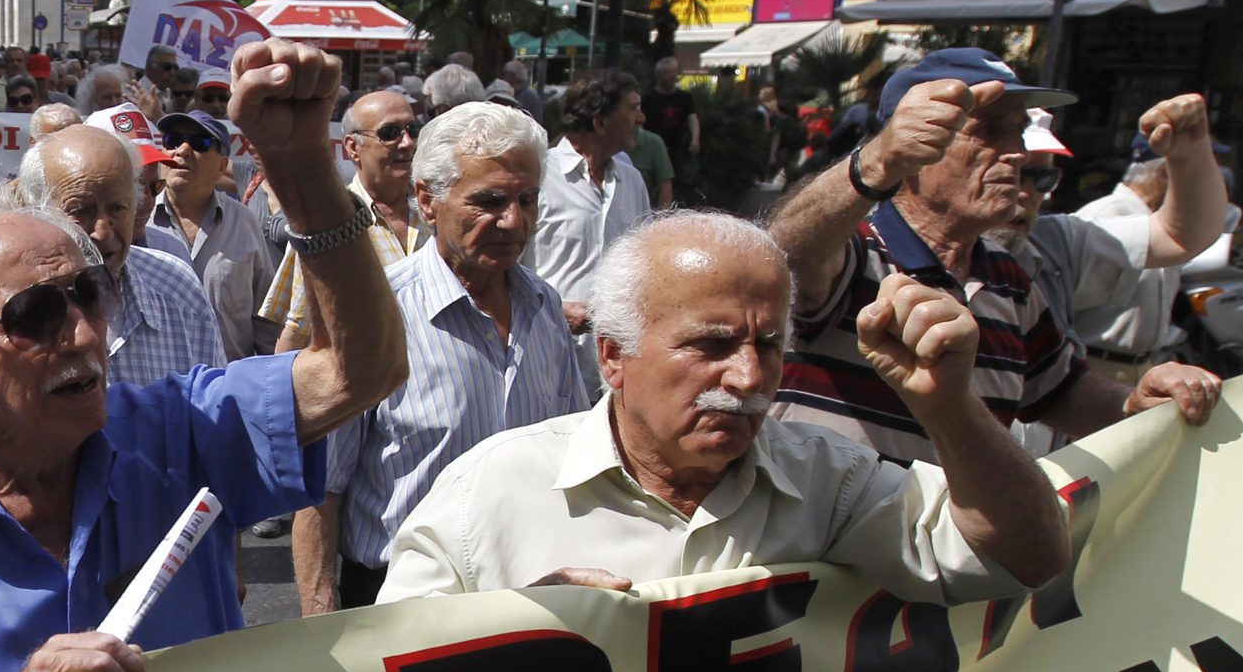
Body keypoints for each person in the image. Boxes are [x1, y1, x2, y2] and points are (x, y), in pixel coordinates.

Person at [0, 39, 409, 672]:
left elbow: (362, 369)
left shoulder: (178, 431)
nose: (80, 332)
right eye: (34, 315)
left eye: (87, 294)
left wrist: (304, 162)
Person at [379, 211, 1070, 604]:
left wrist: (949, 408)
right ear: (613, 357)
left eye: (768, 345)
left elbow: (1029, 557)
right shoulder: (489, 493)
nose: (746, 377)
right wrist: (507, 639)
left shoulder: (833, 487)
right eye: (710, 344)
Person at [766, 49, 1224, 461]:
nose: (1018, 153)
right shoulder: (858, 251)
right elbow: (783, 249)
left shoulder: (1008, 277)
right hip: (834, 547)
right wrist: (876, 160)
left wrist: (1132, 402)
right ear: (914, 146)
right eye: (989, 130)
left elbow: (1059, 391)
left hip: (949, 548)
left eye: (1019, 131)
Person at [297, 101, 585, 613]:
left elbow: (572, 458)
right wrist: (321, 625)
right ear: (427, 201)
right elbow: (321, 490)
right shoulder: (376, 318)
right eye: (489, 200)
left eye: (528, 199)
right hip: (397, 600)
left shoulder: (546, 311)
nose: (513, 220)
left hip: (531, 595)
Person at [20, 125, 224, 389]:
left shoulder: (177, 289)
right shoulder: (7, 304)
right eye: (81, 210)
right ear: (36, 211)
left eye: (118, 208)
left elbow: (214, 415)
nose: (102, 232)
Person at [258, 88, 429, 352]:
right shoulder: (324, 225)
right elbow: (295, 334)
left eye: (412, 129)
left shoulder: (438, 213)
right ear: (353, 147)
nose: (406, 142)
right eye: (390, 133)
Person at [1053, 133, 1230, 380]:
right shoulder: (1106, 215)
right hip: (1094, 367)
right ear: (1166, 171)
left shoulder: (1159, 222)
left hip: (1141, 365)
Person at [534, 70, 654, 376]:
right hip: (549, 357)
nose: (641, 118)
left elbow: (647, 264)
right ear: (600, 122)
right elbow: (506, 269)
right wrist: (558, 312)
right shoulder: (540, 177)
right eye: (633, 108)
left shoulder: (631, 181)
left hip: (615, 368)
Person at [151, 109, 266, 362]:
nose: (181, 151)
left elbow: (266, 319)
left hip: (228, 388)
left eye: (200, 143)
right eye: (172, 140)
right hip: (159, 390)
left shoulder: (244, 223)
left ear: (221, 167)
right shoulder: (139, 221)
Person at [640, 57, 700, 163]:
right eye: (668, 73)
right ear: (659, 76)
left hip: (679, 151)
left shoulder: (685, 97)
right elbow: (640, 124)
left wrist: (695, 140)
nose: (673, 76)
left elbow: (692, 119)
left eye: (675, 71)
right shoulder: (648, 99)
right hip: (655, 151)